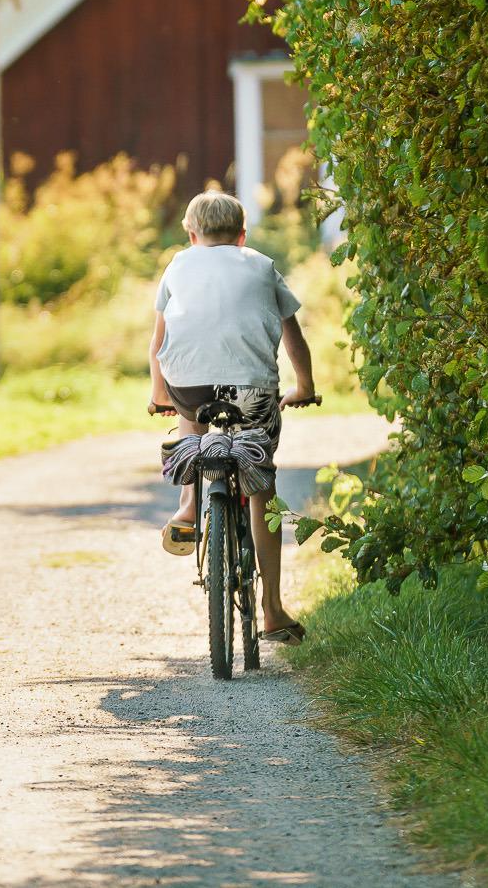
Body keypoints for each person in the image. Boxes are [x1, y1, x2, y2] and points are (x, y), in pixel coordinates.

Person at [147, 189, 318, 644]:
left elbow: (159, 342)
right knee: (261, 487)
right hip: (252, 393)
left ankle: (188, 504)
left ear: (191, 233)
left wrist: (159, 395)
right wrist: (304, 387)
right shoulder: (262, 265)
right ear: (242, 235)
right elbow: (293, 337)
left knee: (189, 419)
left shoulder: (178, 265)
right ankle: (272, 610)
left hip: (189, 388)